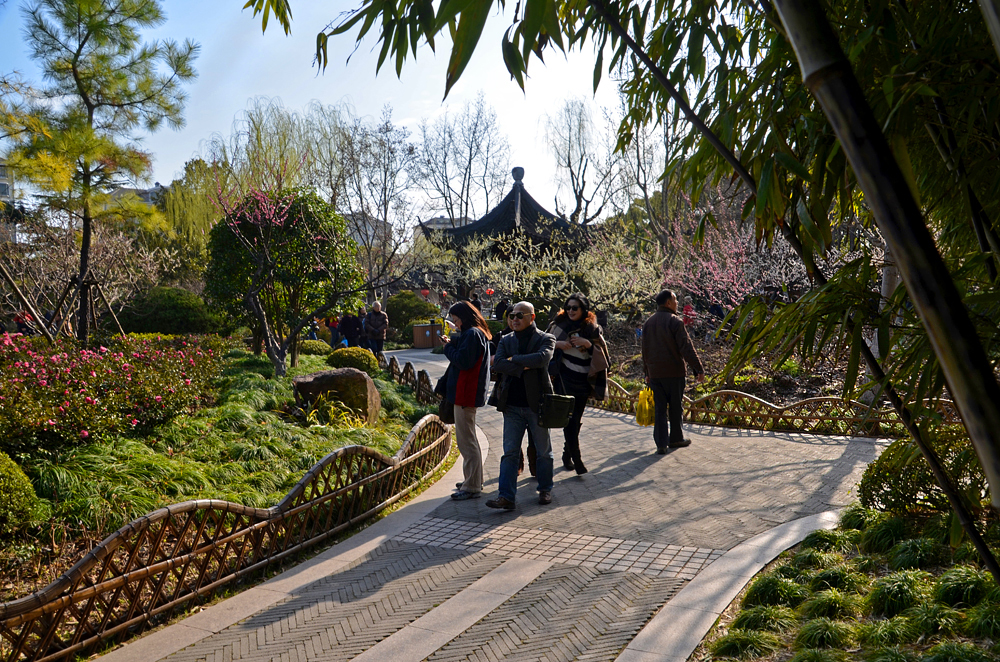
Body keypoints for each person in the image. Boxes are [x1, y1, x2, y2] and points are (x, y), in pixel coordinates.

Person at [486, 301, 556, 509]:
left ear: (532, 317)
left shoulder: (546, 338)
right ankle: (506, 496)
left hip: (538, 404)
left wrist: (514, 359)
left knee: (543, 451)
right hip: (512, 405)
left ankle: (545, 489)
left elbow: (542, 358)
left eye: (519, 315)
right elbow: (498, 363)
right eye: (511, 315)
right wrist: (523, 365)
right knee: (510, 452)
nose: (514, 319)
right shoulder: (506, 339)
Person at [546, 293, 610, 475]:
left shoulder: (592, 328)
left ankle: (567, 454)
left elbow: (604, 356)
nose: (571, 311)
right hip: (564, 378)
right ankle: (577, 458)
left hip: (584, 380)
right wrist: (557, 344)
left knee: (576, 419)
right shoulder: (558, 325)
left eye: (575, 308)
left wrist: (588, 344)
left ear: (584, 310)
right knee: (570, 420)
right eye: (568, 308)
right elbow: (543, 345)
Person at [641, 289, 706, 453]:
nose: (678, 303)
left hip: (655, 374)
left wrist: (647, 373)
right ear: (668, 303)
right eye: (675, 300)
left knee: (660, 409)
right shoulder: (675, 322)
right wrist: (698, 368)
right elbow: (686, 348)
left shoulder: (648, 323)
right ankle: (676, 439)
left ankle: (661, 444)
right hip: (674, 372)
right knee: (676, 407)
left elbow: (645, 351)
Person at [440, 301, 492, 501]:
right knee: (468, 439)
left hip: (465, 393)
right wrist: (452, 341)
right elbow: (464, 353)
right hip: (467, 393)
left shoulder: (472, 334)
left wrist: (447, 348)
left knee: (466, 441)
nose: (455, 322)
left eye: (456, 319)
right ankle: (472, 480)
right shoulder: (476, 333)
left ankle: (472, 486)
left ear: (463, 317)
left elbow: (462, 361)